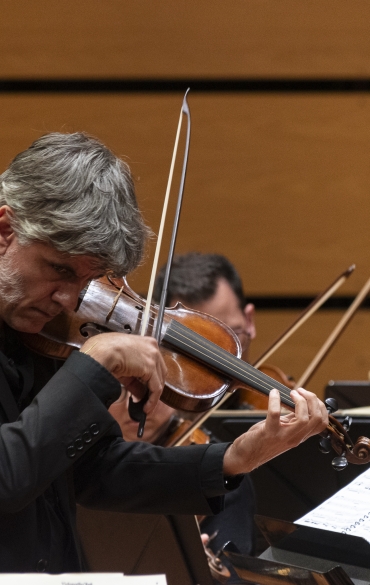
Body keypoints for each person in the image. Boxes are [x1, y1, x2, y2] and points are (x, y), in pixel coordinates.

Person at [0, 132, 328, 573]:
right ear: (5, 231)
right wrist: (94, 366)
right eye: (59, 269)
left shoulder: (38, 328)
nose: (69, 300)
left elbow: (89, 471)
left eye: (86, 281)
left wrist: (234, 458)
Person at [110, 253, 258, 567]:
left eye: (227, 339)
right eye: (188, 347)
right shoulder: (123, 391)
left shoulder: (223, 480)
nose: (213, 364)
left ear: (250, 321)